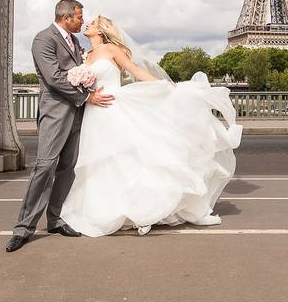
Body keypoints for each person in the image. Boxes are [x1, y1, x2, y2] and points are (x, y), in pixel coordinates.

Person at [58, 15, 241, 236]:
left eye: (94, 23)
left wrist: (164, 85)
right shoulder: (86, 55)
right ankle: (128, 210)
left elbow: (135, 71)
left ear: (102, 30)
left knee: (129, 160)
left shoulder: (111, 49)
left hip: (115, 108)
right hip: (94, 113)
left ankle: (144, 211)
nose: (87, 24)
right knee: (105, 165)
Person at [5, 0, 114, 253]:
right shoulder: (43, 39)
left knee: (68, 168)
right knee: (44, 167)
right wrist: (86, 97)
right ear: (66, 17)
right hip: (55, 113)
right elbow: (54, 78)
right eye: (79, 17)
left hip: (76, 114)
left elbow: (77, 73)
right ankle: (23, 228)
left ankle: (54, 219)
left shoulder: (75, 42)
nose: (82, 21)